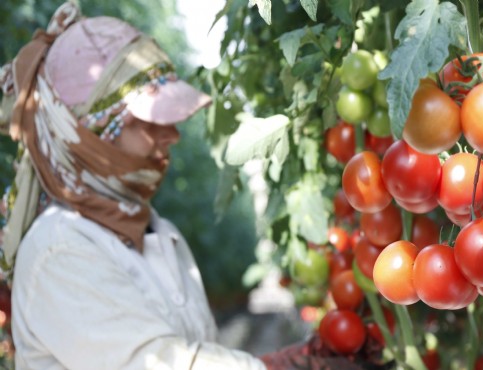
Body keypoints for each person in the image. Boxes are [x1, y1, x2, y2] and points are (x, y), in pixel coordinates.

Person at [0, 2, 368, 369]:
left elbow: (185, 352)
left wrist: (285, 360)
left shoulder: (158, 232)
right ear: (86, 136)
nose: (172, 134)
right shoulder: (59, 250)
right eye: (149, 120)